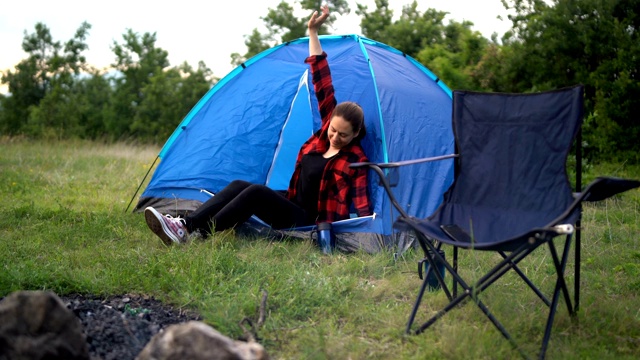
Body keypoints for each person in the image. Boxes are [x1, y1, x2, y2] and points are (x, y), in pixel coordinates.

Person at [144, 5, 371, 245]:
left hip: (309, 221)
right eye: (333, 130)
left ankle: (192, 231)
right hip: (292, 201)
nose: (335, 137)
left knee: (256, 193)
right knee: (239, 185)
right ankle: (186, 226)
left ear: (356, 133)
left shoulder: (355, 160)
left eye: (343, 136)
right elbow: (321, 76)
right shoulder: (325, 132)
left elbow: (364, 207)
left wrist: (365, 237)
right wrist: (312, 32)